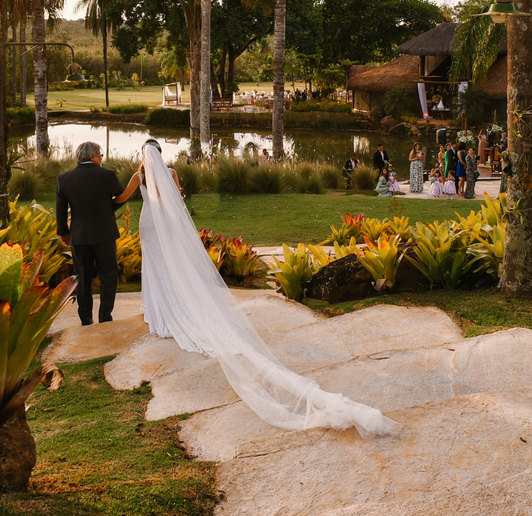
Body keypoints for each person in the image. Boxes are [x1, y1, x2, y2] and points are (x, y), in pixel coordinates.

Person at [127, 139, 399, 438]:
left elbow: (121, 198)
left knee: (156, 266)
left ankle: (158, 312)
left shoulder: (138, 177)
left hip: (150, 223)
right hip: (167, 222)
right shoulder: (172, 172)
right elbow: (178, 200)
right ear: (160, 154)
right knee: (173, 266)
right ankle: (172, 307)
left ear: (143, 156)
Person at [55, 141, 139, 325]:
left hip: (79, 236)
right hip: (104, 234)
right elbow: (122, 195)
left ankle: (85, 319)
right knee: (109, 276)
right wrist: (108, 209)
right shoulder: (108, 175)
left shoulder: (65, 178)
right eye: (100, 155)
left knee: (82, 278)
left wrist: (64, 233)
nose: (102, 158)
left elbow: (60, 210)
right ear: (92, 156)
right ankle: (105, 317)